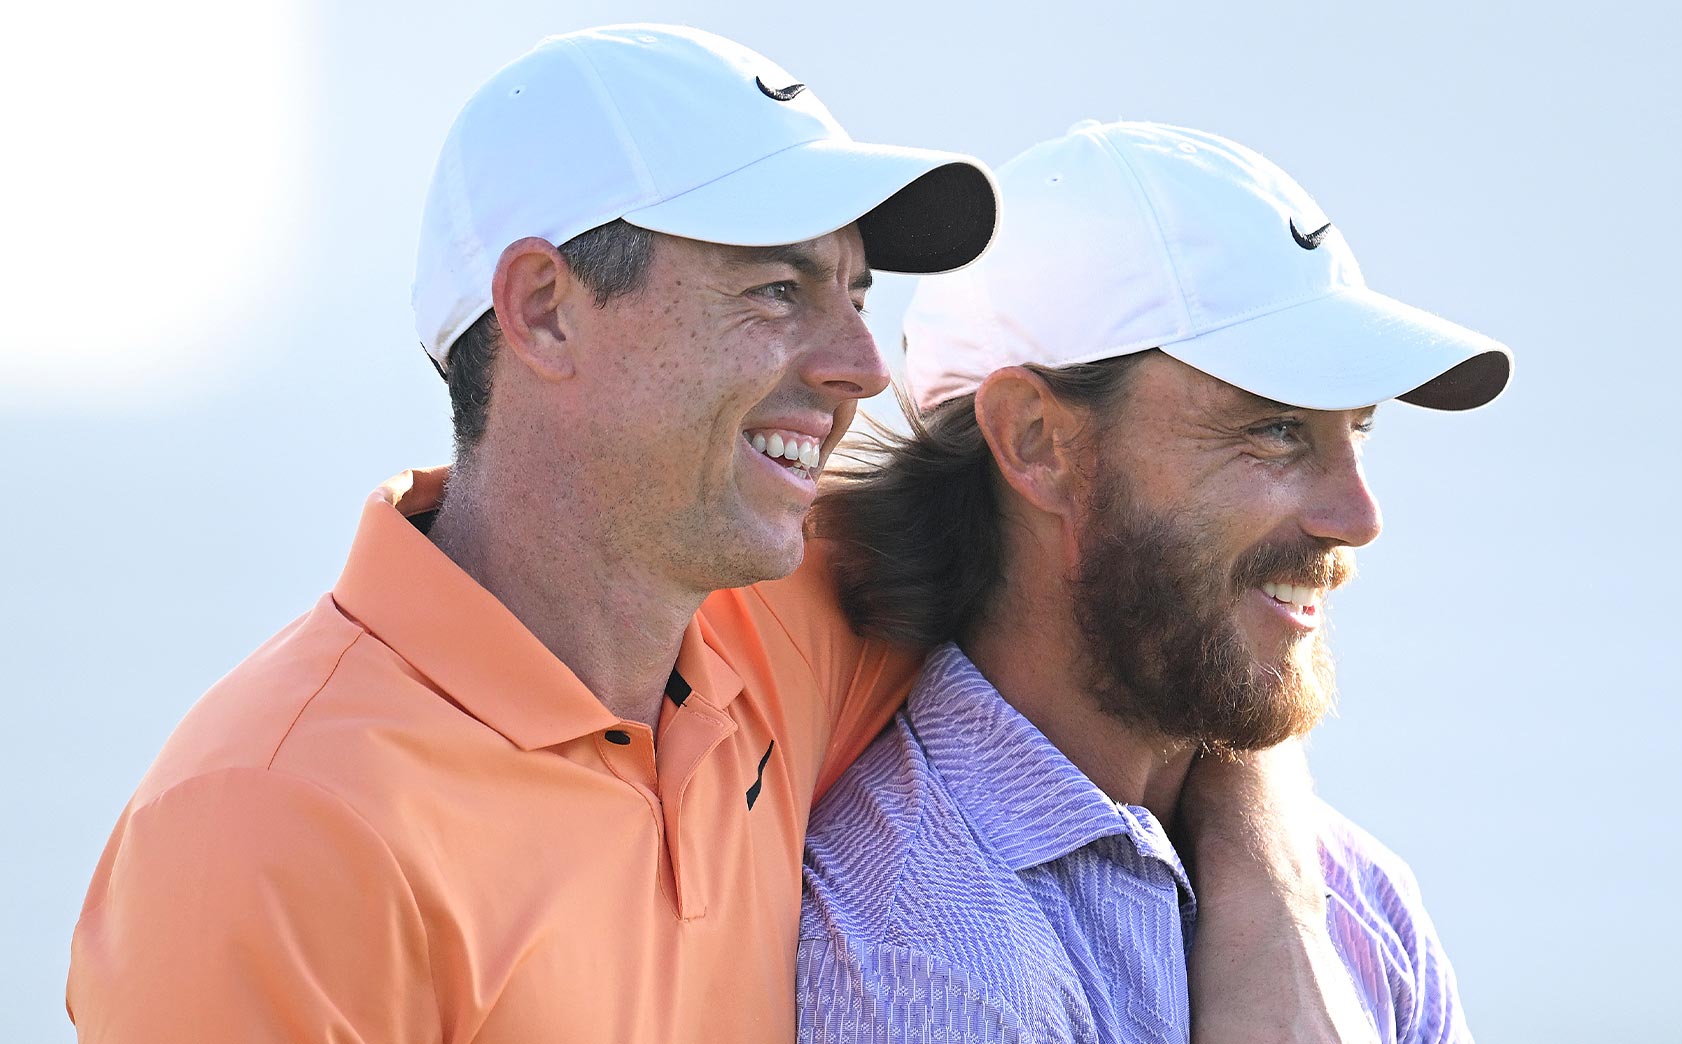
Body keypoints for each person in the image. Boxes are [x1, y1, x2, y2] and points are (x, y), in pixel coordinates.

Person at [66, 32, 1360, 1044]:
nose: (860, 366)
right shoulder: (270, 825)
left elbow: (1178, 604)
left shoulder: (788, 609)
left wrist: (1268, 918)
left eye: (858, 294)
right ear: (545, 310)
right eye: (778, 290)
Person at [798, 120, 1512, 1044]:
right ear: (1036, 441)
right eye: (1277, 429)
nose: (1359, 516)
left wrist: (1277, 890)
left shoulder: (1361, 903)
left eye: (1358, 430)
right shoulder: (920, 957)